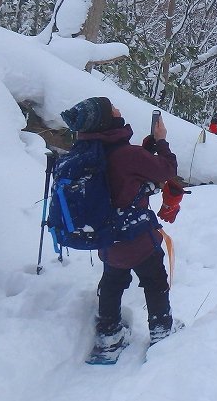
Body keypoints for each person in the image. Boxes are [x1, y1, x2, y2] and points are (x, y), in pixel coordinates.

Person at [60, 97, 185, 353]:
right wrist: (161, 141)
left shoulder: (90, 151)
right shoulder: (127, 155)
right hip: (136, 236)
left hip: (106, 238)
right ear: (105, 120)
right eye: (112, 108)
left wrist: (146, 149)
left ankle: (109, 337)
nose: (118, 110)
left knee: (112, 283)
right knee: (154, 280)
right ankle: (161, 330)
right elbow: (167, 169)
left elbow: (125, 172)